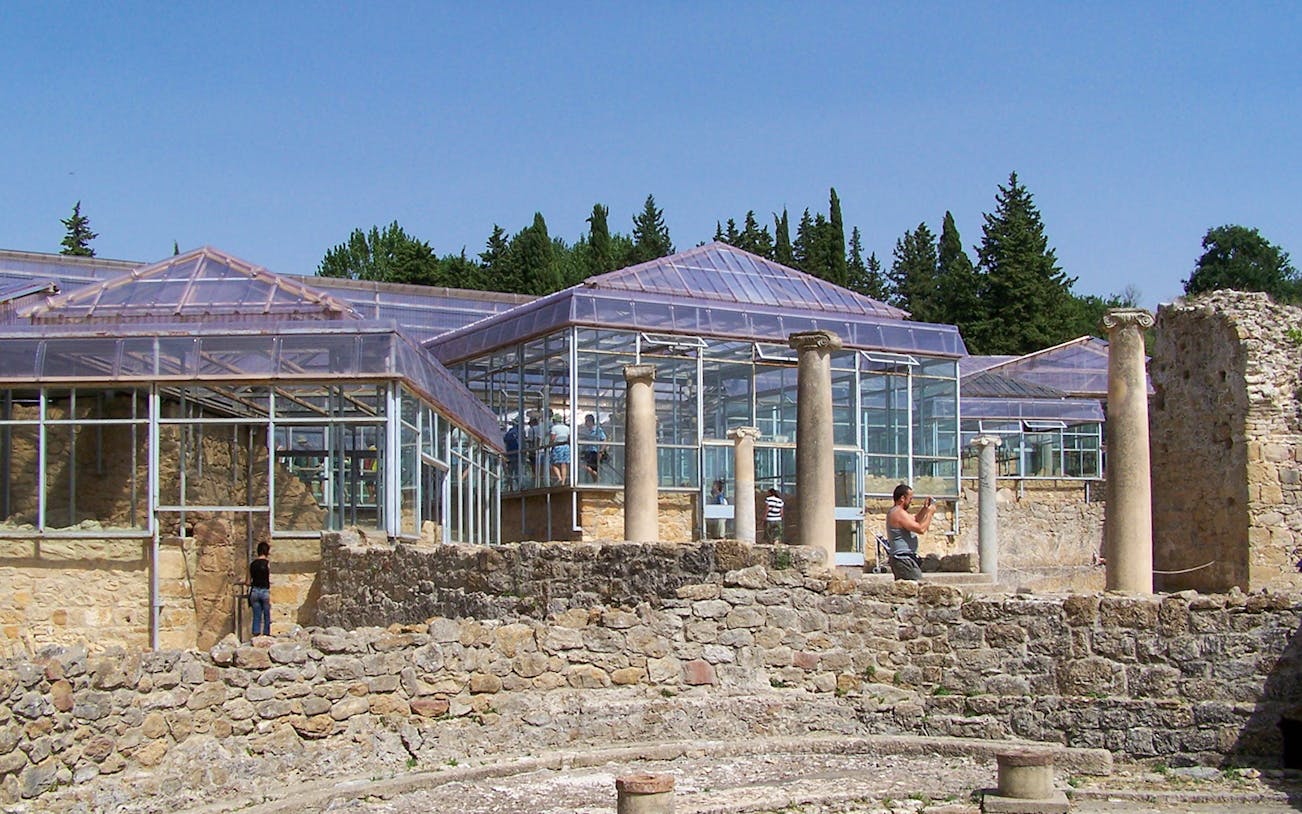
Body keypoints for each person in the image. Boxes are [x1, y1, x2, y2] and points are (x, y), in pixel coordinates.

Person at [885, 483, 936, 581]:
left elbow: (915, 519)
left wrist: (925, 509)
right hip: (903, 559)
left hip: (906, 558)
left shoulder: (900, 512)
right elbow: (920, 529)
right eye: (910, 499)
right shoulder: (897, 513)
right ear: (902, 498)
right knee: (918, 586)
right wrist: (930, 514)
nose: (911, 502)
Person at [248, 542, 272, 637]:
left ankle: (256, 634)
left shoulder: (252, 564)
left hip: (254, 591)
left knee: (256, 615)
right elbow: (270, 578)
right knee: (266, 615)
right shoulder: (268, 564)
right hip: (265, 591)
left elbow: (247, 581)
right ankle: (266, 634)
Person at [580, 413, 606, 482]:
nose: (585, 423)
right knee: (587, 467)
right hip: (588, 452)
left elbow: (604, 440)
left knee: (590, 467)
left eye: (587, 421)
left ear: (591, 421)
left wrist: (601, 451)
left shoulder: (598, 430)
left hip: (595, 452)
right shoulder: (588, 431)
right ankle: (596, 480)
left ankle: (598, 478)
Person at [549, 414, 571, 485]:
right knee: (563, 464)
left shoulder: (554, 428)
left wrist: (550, 445)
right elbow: (569, 438)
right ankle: (563, 481)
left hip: (558, 446)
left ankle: (559, 477)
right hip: (566, 446)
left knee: (554, 463)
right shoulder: (567, 428)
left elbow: (552, 438)